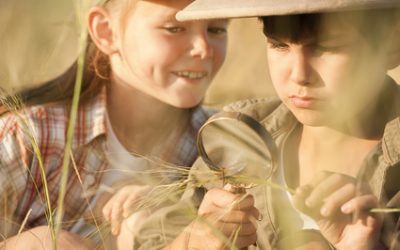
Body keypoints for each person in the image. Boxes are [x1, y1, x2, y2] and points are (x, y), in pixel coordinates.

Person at [132, 0, 400, 249]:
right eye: (279, 45)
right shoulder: (239, 136)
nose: (299, 75)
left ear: (391, 45)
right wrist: (191, 241)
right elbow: (152, 241)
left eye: (327, 47)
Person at [0, 0, 228, 249]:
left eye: (216, 29)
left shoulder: (218, 139)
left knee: (142, 221)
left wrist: (174, 207)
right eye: (174, 28)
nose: (203, 48)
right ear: (106, 32)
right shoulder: (30, 135)